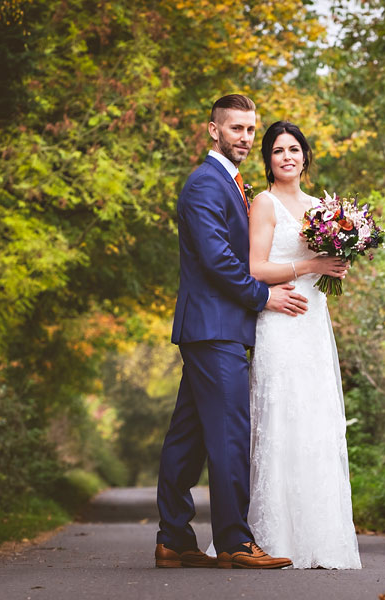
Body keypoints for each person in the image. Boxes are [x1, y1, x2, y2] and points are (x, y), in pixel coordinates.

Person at [155, 95, 308, 570]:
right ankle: (235, 543)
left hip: (216, 328)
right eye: (235, 128)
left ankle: (174, 540)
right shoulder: (204, 184)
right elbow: (218, 260)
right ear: (213, 131)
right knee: (229, 437)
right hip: (214, 327)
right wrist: (265, 297)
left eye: (249, 129)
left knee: (190, 436)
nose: (244, 137)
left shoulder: (233, 185)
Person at [245, 120, 362, 569]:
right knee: (280, 416)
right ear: (269, 160)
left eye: (294, 149)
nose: (287, 157)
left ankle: (320, 537)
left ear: (306, 156)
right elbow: (255, 268)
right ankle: (275, 535)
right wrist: (310, 263)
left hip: (313, 322)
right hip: (279, 320)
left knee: (316, 420)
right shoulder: (265, 202)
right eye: (277, 151)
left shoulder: (322, 207)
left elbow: (327, 265)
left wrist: (336, 266)